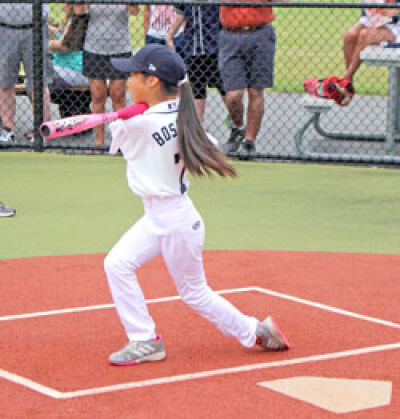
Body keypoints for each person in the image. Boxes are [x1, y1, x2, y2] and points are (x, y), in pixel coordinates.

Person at [103, 44, 290, 366]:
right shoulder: (184, 116)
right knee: (116, 264)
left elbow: (122, 140)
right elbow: (207, 143)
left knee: (194, 293)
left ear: (152, 82)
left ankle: (256, 331)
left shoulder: (135, 125)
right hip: (162, 215)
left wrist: (124, 119)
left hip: (175, 220)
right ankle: (144, 339)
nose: (128, 83)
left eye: (134, 75)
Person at [73, 4, 140, 146]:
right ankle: (99, 143)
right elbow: (78, 11)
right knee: (98, 96)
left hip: (120, 47)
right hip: (94, 48)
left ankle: (120, 142)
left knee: (118, 95)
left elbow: (135, 11)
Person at [218, 0, 277, 160]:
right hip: (230, 34)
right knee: (233, 95)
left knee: (255, 90)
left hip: (260, 33)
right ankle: (238, 127)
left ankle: (249, 141)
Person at [165, 4, 227, 123]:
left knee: (224, 89)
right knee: (197, 91)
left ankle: (236, 124)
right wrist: (170, 36)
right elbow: (180, 13)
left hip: (216, 48)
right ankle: (198, 130)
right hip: (194, 49)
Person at [0, 4, 52, 143]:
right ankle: (7, 130)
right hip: (5, 27)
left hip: (35, 27)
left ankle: (42, 129)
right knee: (4, 82)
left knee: (39, 83)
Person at [48, 4, 91, 121]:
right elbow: (64, 35)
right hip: (72, 70)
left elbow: (63, 46)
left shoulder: (75, 21)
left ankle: (41, 122)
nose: (61, 6)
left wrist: (41, 43)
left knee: (32, 80)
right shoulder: (76, 20)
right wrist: (51, 29)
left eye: (64, 3)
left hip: (74, 71)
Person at [342, 0, 400, 84]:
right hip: (374, 20)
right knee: (349, 35)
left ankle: (346, 79)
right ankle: (348, 82)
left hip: (395, 25)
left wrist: (397, 10)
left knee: (365, 35)